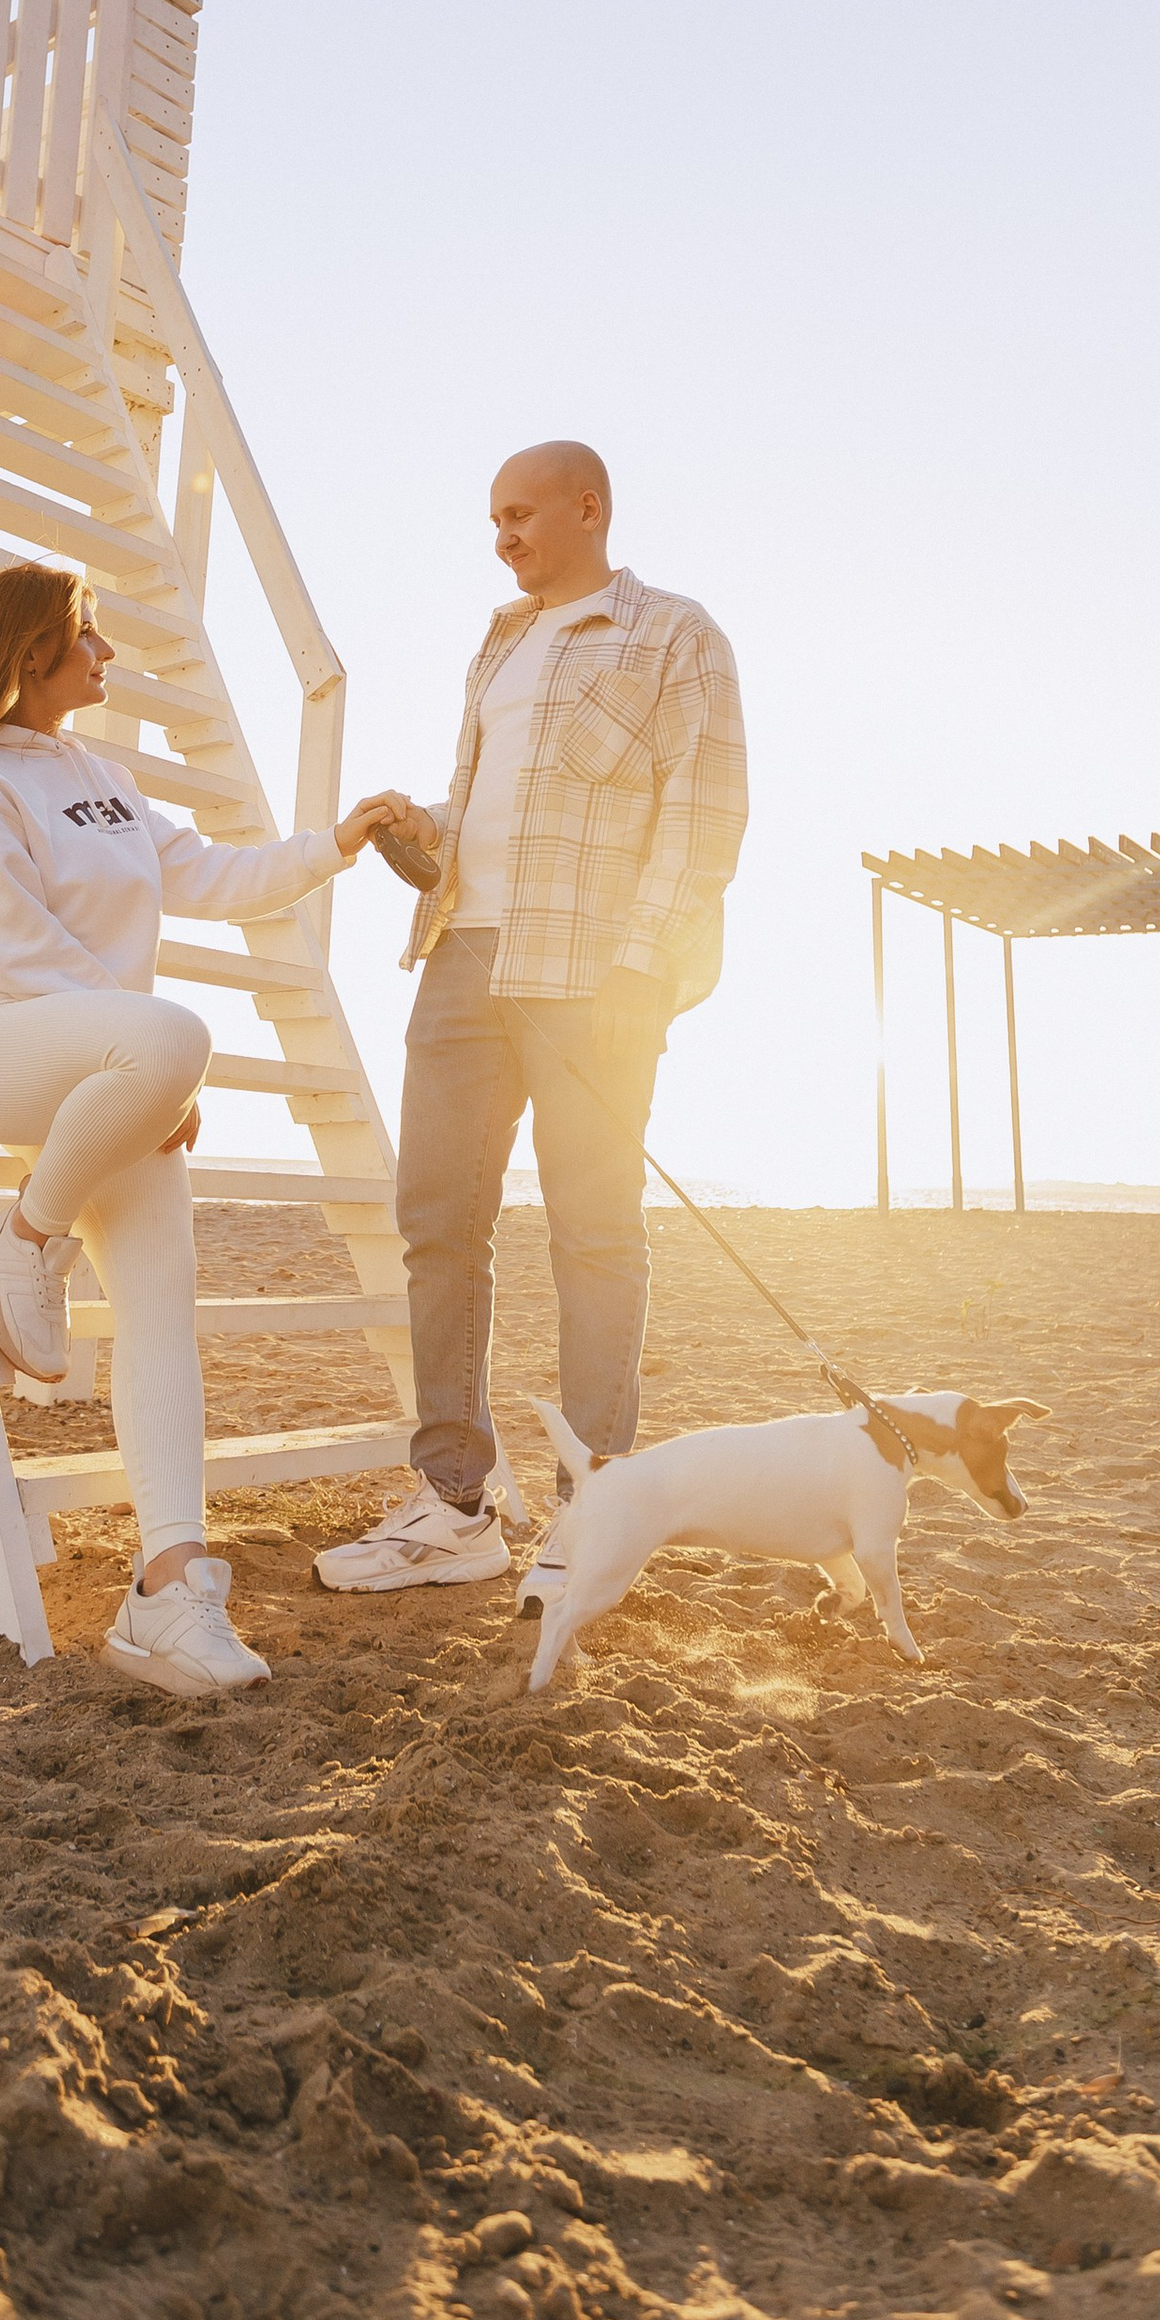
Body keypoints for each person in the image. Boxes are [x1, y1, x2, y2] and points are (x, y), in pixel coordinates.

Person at [0, 559, 409, 1699]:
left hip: (110, 1070)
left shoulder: (94, 774)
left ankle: (168, 1587)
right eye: (86, 636)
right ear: (29, 654)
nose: (104, 655)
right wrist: (145, 1051)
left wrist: (336, 843)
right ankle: (25, 1242)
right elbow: (11, 947)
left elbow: (207, 871)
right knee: (170, 1030)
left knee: (162, 1311)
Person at [315, 443, 746, 1615]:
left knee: (594, 1232)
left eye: (518, 513)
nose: (501, 535)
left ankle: (592, 1509)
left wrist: (637, 972)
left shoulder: (673, 633)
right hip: (464, 961)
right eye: (491, 518)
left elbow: (703, 820)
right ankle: (455, 1506)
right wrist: (421, 822)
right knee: (437, 1228)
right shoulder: (500, 644)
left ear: (586, 507)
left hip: (593, 980)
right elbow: (501, 817)